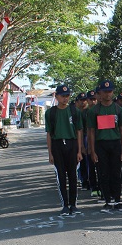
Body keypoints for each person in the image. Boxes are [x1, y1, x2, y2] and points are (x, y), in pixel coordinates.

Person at [87, 80, 122, 213]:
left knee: (116, 173)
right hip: (101, 144)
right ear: (100, 93)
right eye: (105, 92)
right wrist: (92, 151)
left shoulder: (118, 109)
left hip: (115, 143)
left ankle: (117, 200)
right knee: (103, 173)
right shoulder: (94, 110)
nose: (108, 94)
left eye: (110, 91)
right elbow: (91, 132)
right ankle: (107, 201)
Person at [45, 85, 83, 216]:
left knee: (73, 176)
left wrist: (79, 151)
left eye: (67, 96)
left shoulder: (74, 111)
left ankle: (73, 204)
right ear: (57, 96)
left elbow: (79, 131)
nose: (65, 98)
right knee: (61, 176)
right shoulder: (51, 113)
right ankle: (65, 205)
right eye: (62, 96)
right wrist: (50, 153)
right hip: (57, 145)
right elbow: (49, 134)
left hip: (72, 144)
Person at [84, 90, 100, 198]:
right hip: (87, 139)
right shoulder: (84, 113)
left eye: (95, 99)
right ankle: (93, 186)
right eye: (91, 99)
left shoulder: (100, 110)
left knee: (101, 166)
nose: (93, 101)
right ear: (87, 100)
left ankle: (101, 187)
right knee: (90, 164)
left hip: (99, 139)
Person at [74, 92, 90, 190]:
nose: (83, 102)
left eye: (85, 100)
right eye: (81, 100)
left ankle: (89, 180)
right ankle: (83, 180)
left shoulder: (90, 112)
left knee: (88, 161)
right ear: (77, 102)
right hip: (79, 137)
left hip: (88, 137)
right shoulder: (75, 112)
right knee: (81, 161)